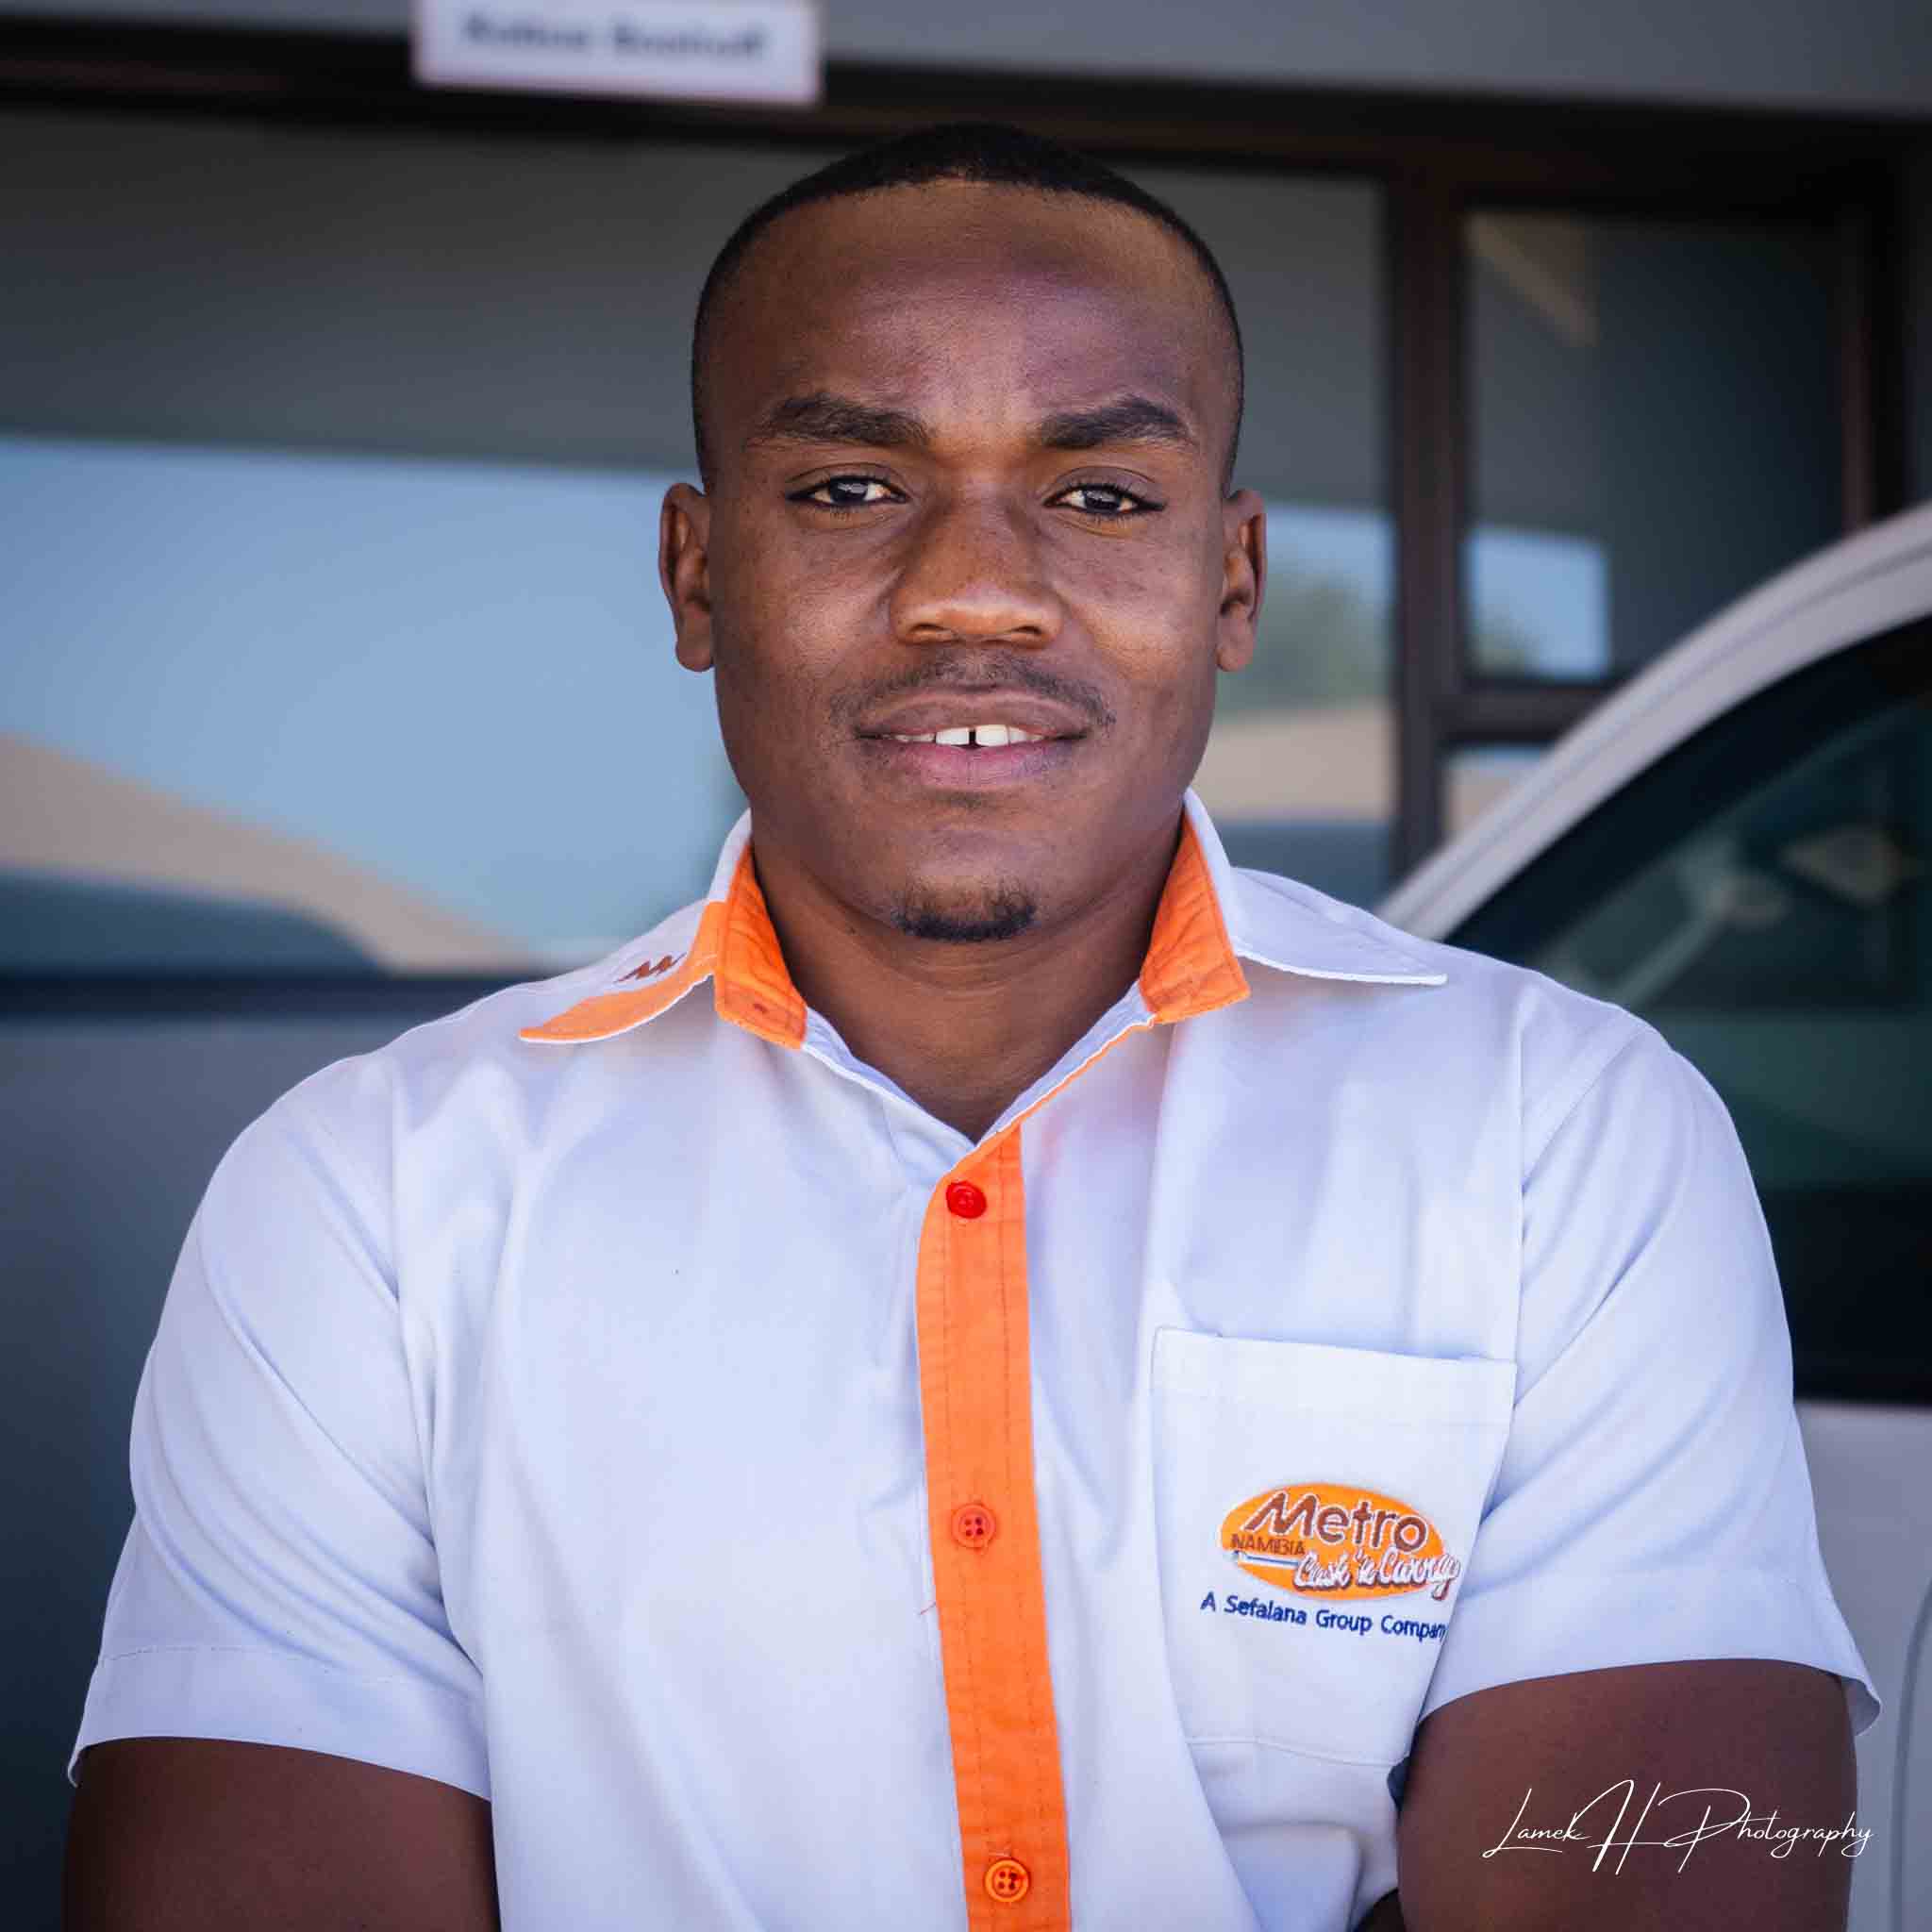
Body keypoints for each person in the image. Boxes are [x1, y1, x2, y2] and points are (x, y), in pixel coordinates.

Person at [64, 122, 1876, 1932]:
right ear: (698, 578)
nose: (973, 590)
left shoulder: (1557, 1132)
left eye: (1098, 496)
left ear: (1233, 582)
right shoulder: (374, 1199)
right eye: (854, 489)